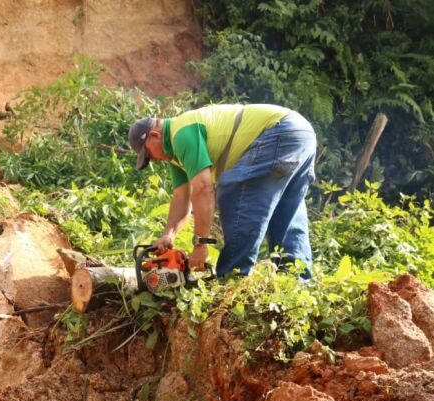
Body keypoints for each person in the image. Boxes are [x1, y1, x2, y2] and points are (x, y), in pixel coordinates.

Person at [128, 104, 316, 277]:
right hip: (301, 133)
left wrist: (201, 243)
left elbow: (203, 188)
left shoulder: (182, 134)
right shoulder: (175, 153)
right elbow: (181, 197)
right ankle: (296, 280)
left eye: (148, 154)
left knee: (234, 192)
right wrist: (168, 235)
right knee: (286, 213)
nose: (152, 160)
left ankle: (233, 280)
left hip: (278, 131)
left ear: (154, 135)